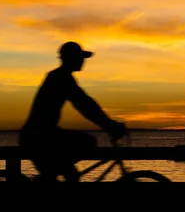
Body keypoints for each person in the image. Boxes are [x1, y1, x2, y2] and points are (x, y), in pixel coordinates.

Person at [19, 41, 127, 182]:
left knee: (65, 173)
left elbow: (85, 103)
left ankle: (50, 173)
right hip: (39, 136)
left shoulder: (60, 76)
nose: (83, 61)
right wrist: (109, 125)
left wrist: (107, 124)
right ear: (71, 58)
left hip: (40, 134)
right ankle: (51, 173)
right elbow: (85, 105)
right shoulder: (61, 78)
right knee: (87, 143)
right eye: (80, 57)